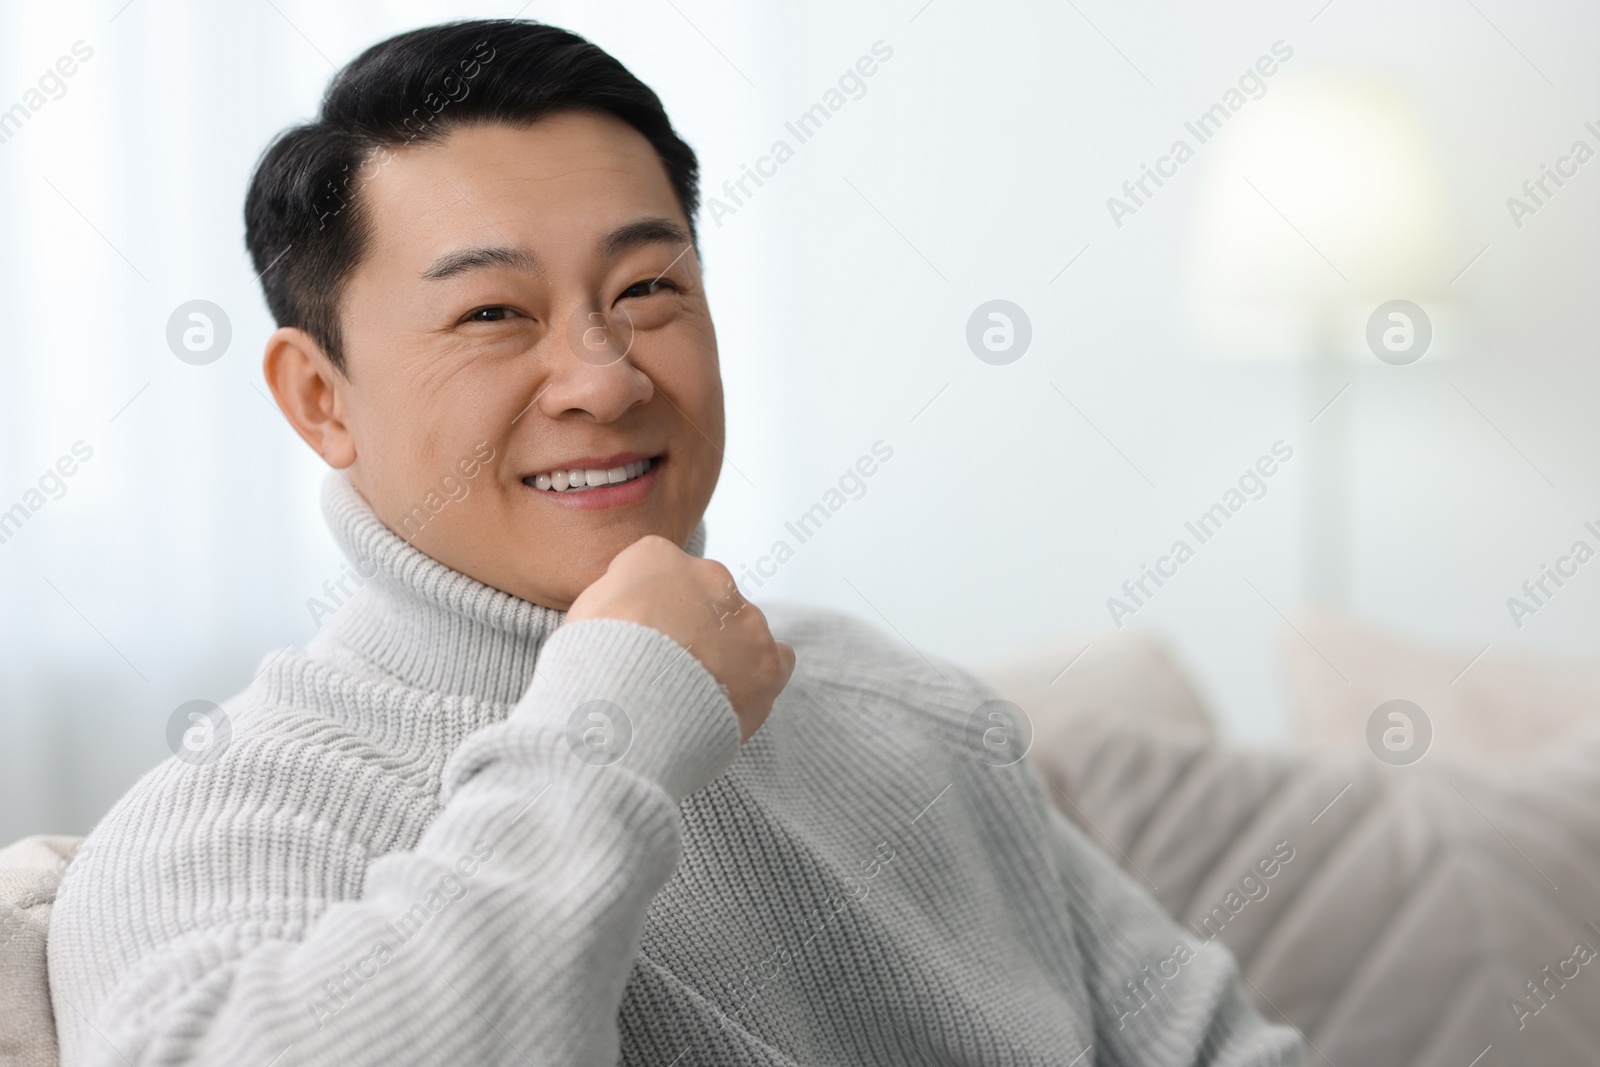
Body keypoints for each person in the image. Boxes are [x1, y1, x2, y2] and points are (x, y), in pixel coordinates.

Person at [47, 19, 1304, 1066]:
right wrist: (618, 719)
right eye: (492, 312)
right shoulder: (218, 824)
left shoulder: (892, 698)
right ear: (319, 396)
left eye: (648, 289)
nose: (602, 376)